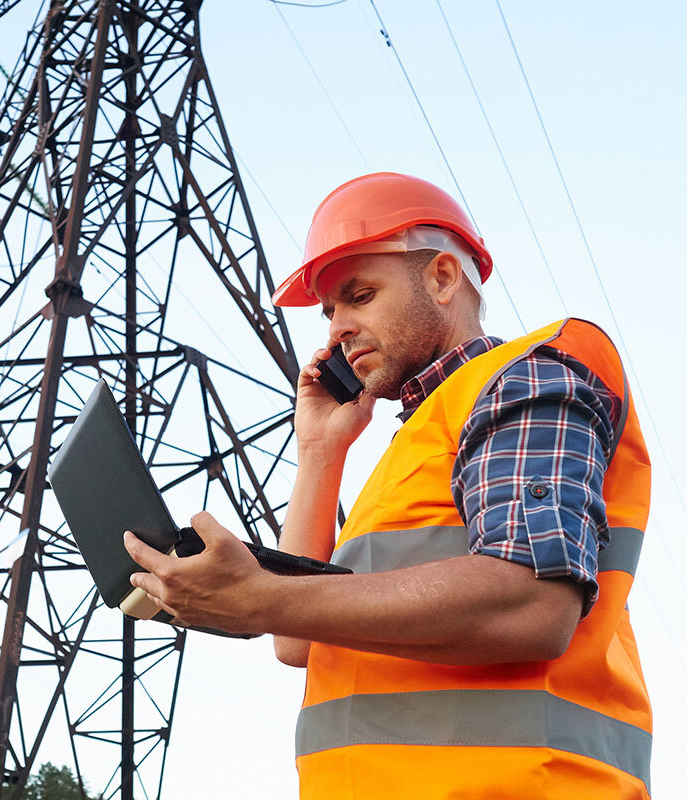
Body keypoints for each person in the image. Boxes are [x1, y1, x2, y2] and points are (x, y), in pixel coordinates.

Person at [122, 172, 653, 798]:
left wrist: (258, 597)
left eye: (360, 296)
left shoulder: (525, 377)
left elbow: (533, 603)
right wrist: (320, 451)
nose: (336, 329)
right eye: (330, 311)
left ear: (443, 278)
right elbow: (296, 640)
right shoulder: (413, 444)